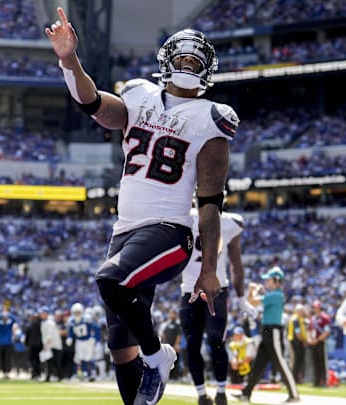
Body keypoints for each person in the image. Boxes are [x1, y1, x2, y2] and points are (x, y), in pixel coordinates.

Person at [46, 6, 236, 405]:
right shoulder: (139, 95)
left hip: (169, 229)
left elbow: (210, 202)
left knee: (109, 281)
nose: (187, 64)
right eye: (182, 57)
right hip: (125, 230)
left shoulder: (211, 118)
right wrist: (69, 60)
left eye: (194, 60)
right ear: (167, 61)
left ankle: (159, 355)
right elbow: (93, 104)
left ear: (206, 71)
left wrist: (210, 270)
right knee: (119, 344)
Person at [179, 208, 245, 405]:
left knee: (217, 340)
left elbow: (236, 263)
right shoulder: (183, 216)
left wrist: (241, 297)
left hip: (217, 290)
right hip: (189, 290)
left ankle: (222, 390)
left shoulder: (228, 222)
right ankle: (201, 394)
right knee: (192, 345)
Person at [236, 267, 300, 403]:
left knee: (281, 363)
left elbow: (252, 301)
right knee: (258, 365)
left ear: (276, 280)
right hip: (267, 331)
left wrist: (252, 290)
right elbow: (253, 302)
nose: (267, 281)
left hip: (273, 331)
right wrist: (253, 292)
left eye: (269, 279)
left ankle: (294, 395)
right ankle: (246, 393)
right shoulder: (273, 295)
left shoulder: (276, 295)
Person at [307, 300, 331, 388]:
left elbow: (327, 331)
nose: (315, 309)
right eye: (314, 307)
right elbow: (309, 330)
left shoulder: (325, 317)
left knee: (322, 362)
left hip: (321, 342)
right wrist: (310, 339)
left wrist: (318, 339)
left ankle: (324, 381)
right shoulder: (312, 318)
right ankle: (316, 380)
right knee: (315, 362)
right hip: (313, 342)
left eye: (316, 307)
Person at [287, 304, 308, 385]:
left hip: (296, 341)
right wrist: (304, 341)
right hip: (295, 341)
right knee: (296, 360)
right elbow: (298, 332)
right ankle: (294, 378)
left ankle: (296, 377)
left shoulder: (299, 319)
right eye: (301, 311)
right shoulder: (295, 319)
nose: (302, 312)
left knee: (298, 360)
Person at [41, 308, 64, 382]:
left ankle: (60, 376)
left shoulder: (50, 323)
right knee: (50, 362)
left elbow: (49, 335)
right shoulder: (44, 322)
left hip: (54, 345)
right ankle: (50, 377)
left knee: (55, 362)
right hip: (50, 345)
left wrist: (46, 345)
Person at [0, 308, 17, 379]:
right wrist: (1, 314)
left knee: (8, 359)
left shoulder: (9, 325)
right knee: (2, 359)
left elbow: (14, 320)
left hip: (8, 344)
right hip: (1, 344)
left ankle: (7, 372)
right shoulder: (0, 325)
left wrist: (8, 314)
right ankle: (4, 372)